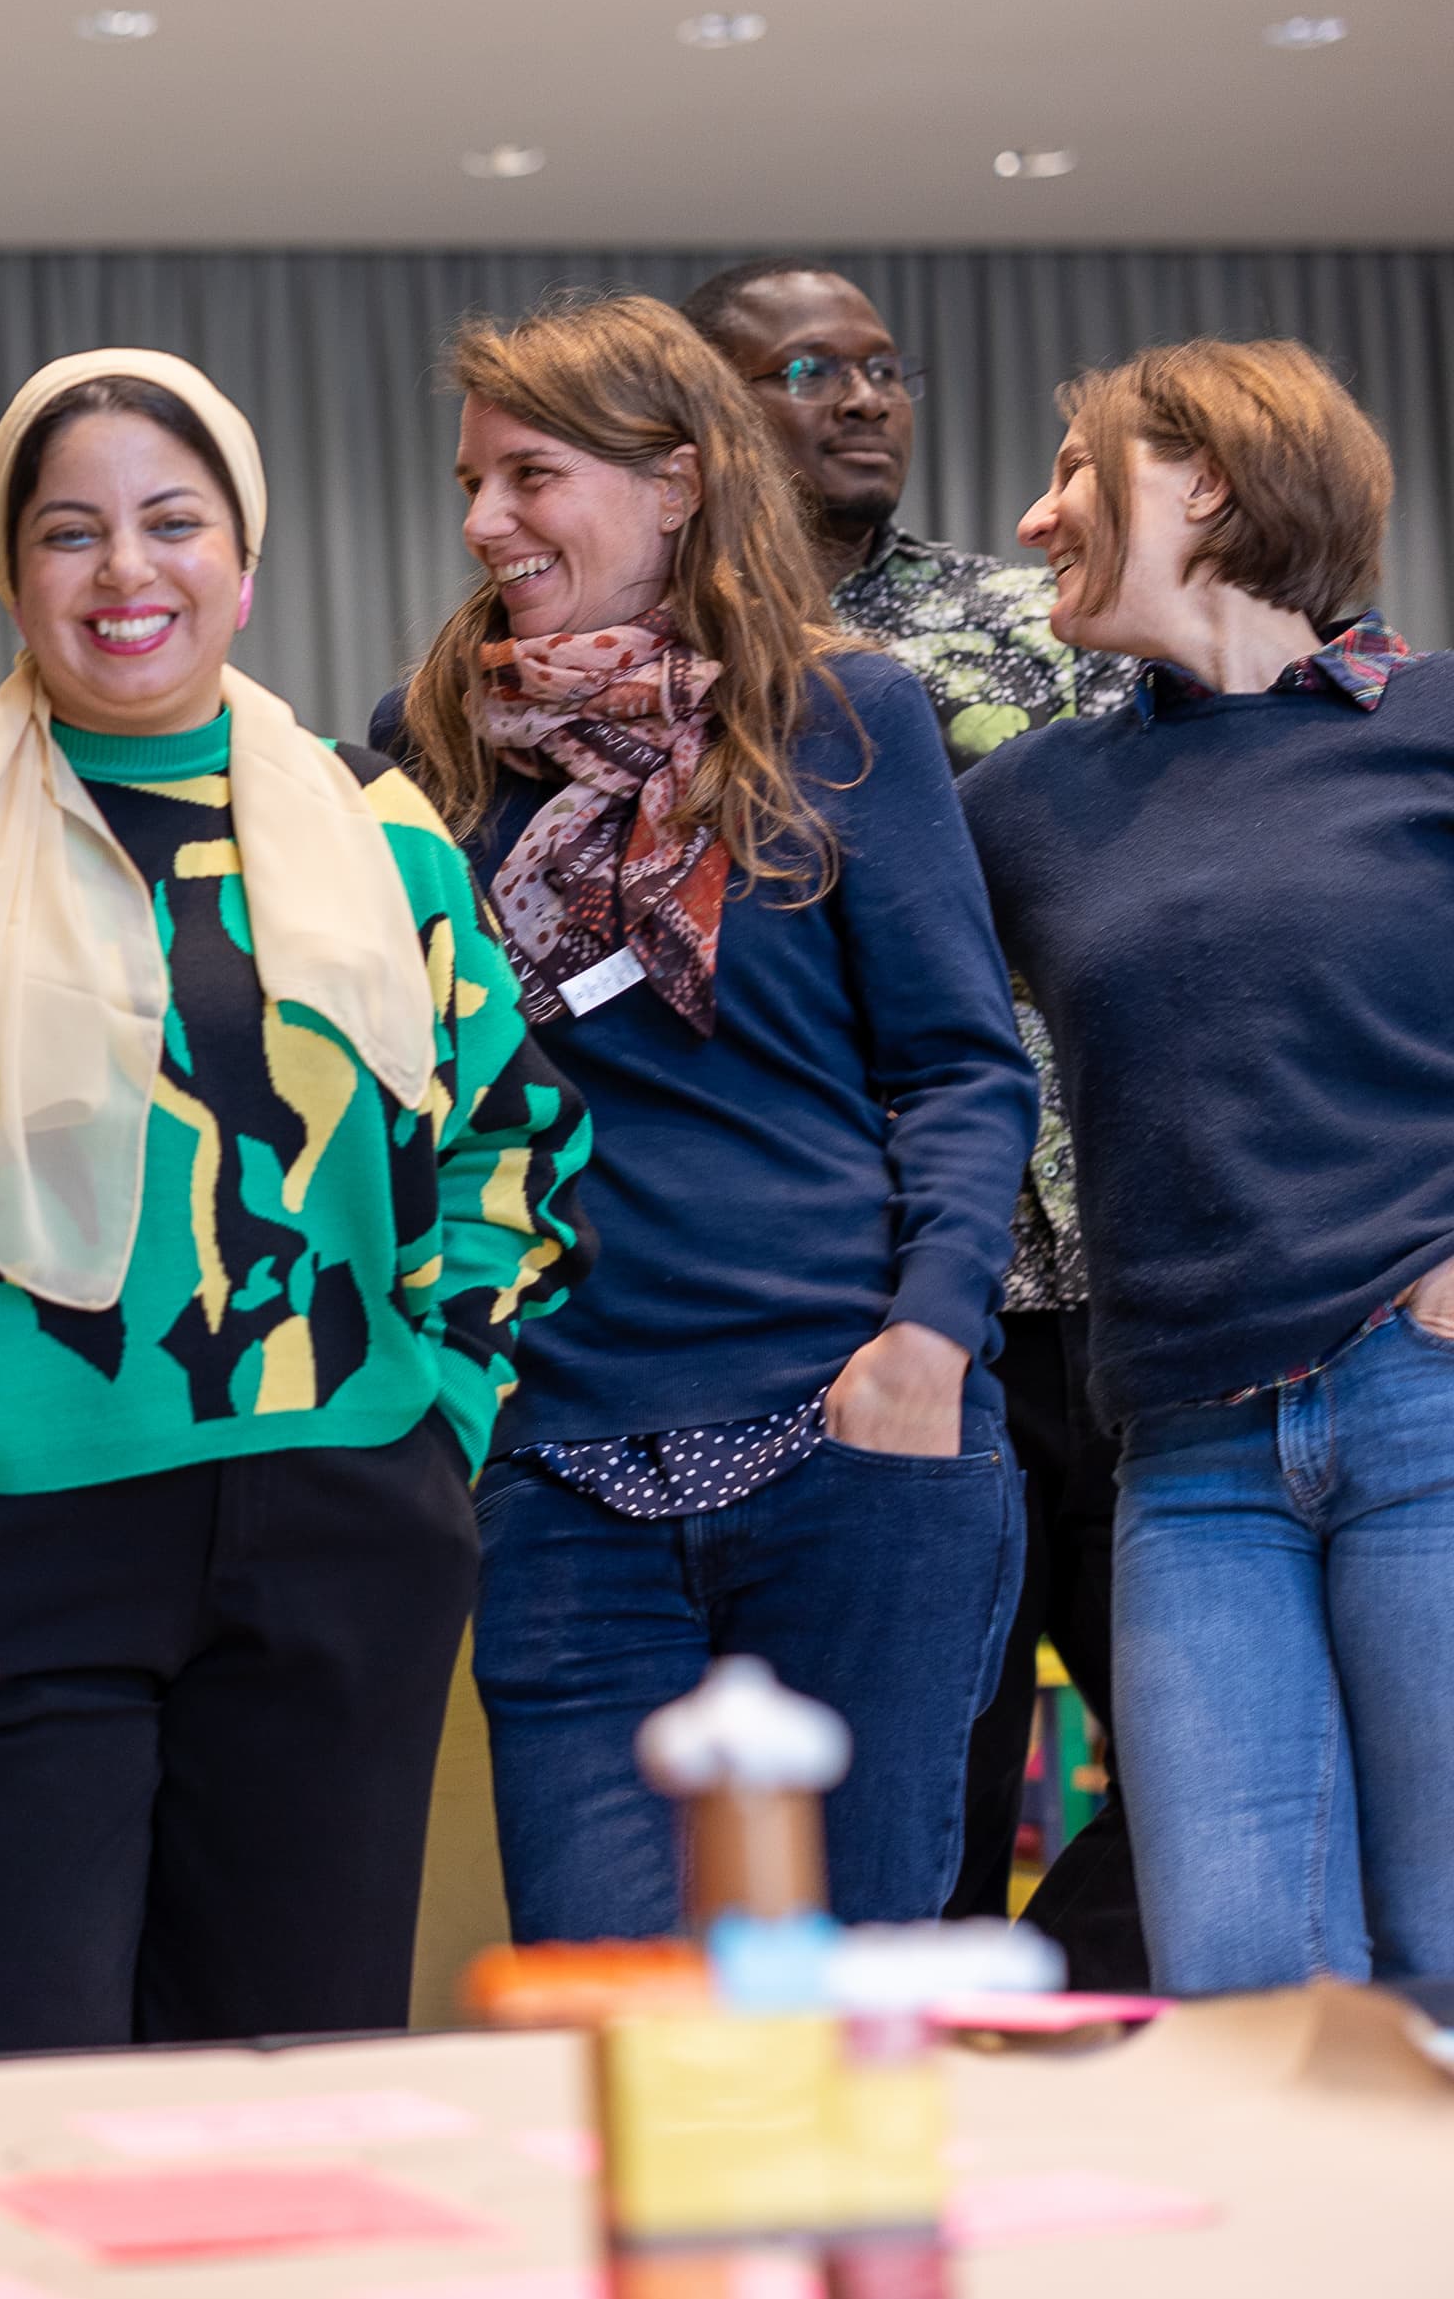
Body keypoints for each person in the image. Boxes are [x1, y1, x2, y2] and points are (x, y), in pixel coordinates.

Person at [0, 350, 590, 2057]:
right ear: (10, 573)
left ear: (246, 555)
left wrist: (436, 1425)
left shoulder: (385, 834)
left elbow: (507, 1148)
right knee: (6, 2089)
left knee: (293, 2087)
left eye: (171, 521)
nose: (125, 571)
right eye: (71, 532)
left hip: (337, 1529)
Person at [370, 294, 1037, 1943]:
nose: (482, 522)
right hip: (562, 1470)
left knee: (848, 2004)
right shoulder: (429, 754)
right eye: (471, 482)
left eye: (532, 475)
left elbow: (960, 1064)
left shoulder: (846, 715)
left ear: (674, 484)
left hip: (852, 1447)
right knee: (617, 2009)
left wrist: (927, 1341)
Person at [964, 339, 1454, 1995]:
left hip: (1431, 1408)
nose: (1035, 520)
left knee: (1447, 1948)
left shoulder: (1438, 726)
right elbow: (889, 1027)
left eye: (1076, 475)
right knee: (1242, 1986)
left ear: (1210, 484)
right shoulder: (1031, 802)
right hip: (1183, 1455)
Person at [682, 259, 1139, 1941]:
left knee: (1208, 1770)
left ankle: (1025, 1987)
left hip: (1110, 1280)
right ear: (710, 408)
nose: (866, 399)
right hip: (864, 1312)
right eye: (811, 367)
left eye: (886, 368)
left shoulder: (1038, 632)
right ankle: (928, 2085)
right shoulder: (661, 681)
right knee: (920, 1791)